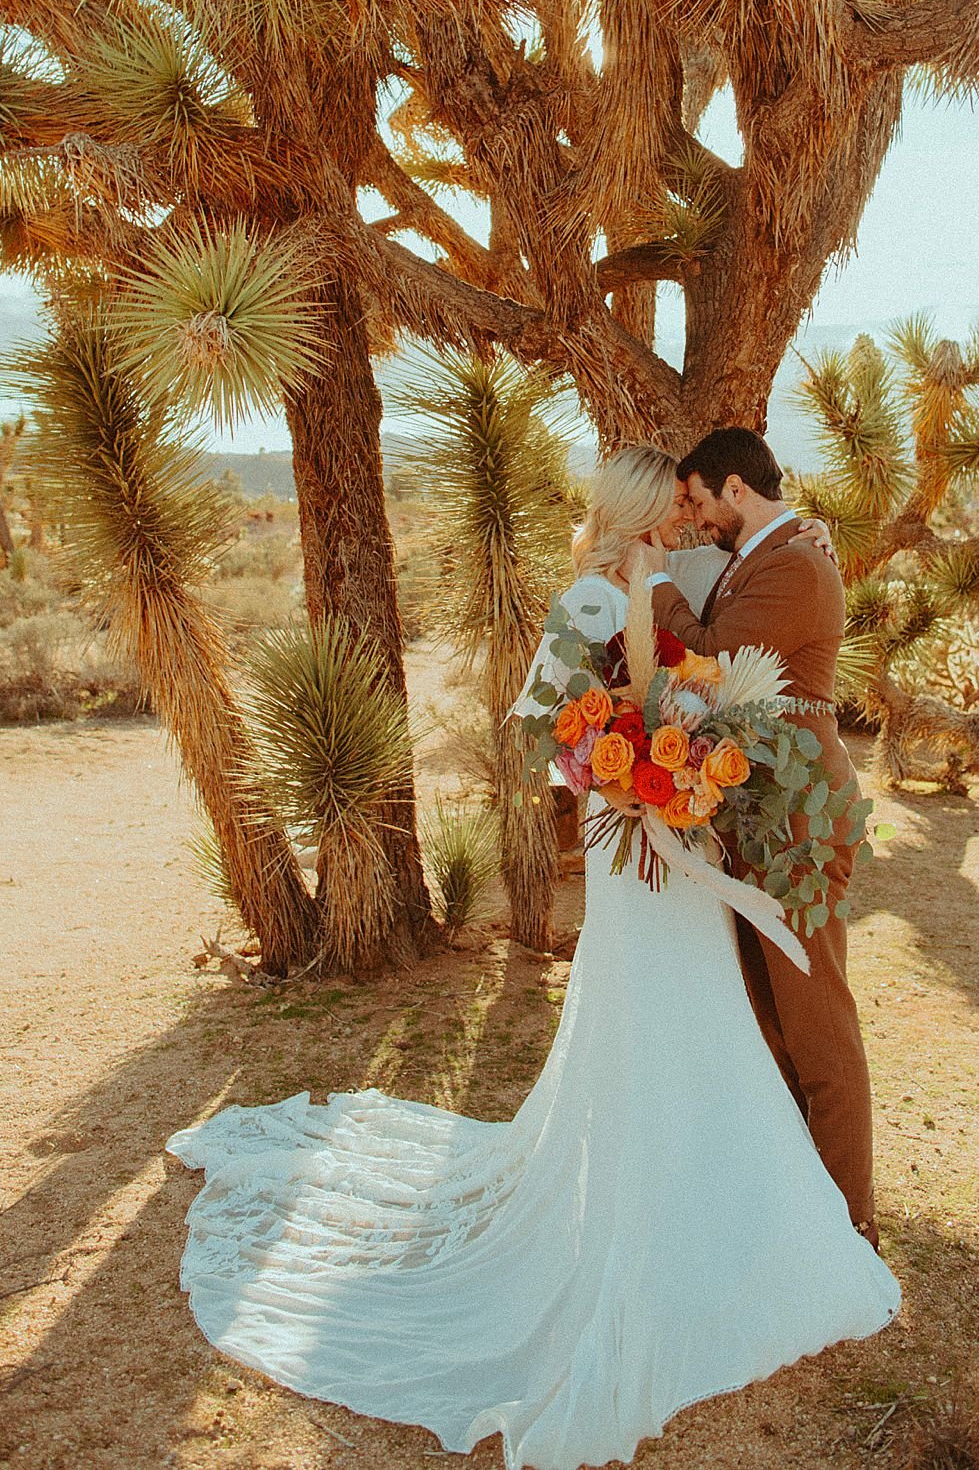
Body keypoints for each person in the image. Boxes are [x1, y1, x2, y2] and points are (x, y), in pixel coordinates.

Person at [166, 445, 897, 1470]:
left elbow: (696, 687)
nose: (688, 522)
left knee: (723, 1024)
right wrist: (609, 772)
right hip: (638, 842)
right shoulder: (588, 604)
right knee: (665, 1023)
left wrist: (663, 756)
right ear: (649, 510)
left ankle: (755, 1208)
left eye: (696, 507)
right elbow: (539, 733)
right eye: (675, 509)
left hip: (683, 844)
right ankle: (674, 1214)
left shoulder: (676, 581)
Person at [637, 426, 878, 1247]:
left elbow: (709, 655)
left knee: (817, 1022)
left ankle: (849, 1230)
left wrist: (656, 582)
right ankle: (795, 1210)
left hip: (802, 818)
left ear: (736, 489)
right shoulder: (765, 555)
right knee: (769, 1018)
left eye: (701, 500)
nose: (698, 519)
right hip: (757, 810)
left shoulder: (795, 564)